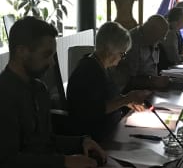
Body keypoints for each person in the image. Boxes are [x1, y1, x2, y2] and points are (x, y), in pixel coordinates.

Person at [0, 16, 106, 168]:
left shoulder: (39, 89)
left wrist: (82, 141)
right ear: (21, 52)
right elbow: (8, 160)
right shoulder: (4, 94)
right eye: (46, 55)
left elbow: (46, 142)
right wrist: (64, 162)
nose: (52, 63)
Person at [66, 22, 151, 142]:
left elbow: (107, 97)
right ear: (109, 50)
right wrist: (126, 99)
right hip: (96, 138)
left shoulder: (100, 66)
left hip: (110, 129)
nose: (122, 58)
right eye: (122, 53)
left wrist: (127, 101)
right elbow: (94, 109)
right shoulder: (89, 71)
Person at [114, 14, 170, 92]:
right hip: (134, 93)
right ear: (150, 31)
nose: (161, 40)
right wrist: (152, 81)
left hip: (150, 88)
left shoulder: (152, 41)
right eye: (160, 37)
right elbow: (129, 80)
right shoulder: (131, 43)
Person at [158, 7, 183, 71]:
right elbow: (174, 58)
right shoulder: (171, 34)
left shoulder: (176, 31)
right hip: (168, 71)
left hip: (172, 68)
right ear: (177, 19)